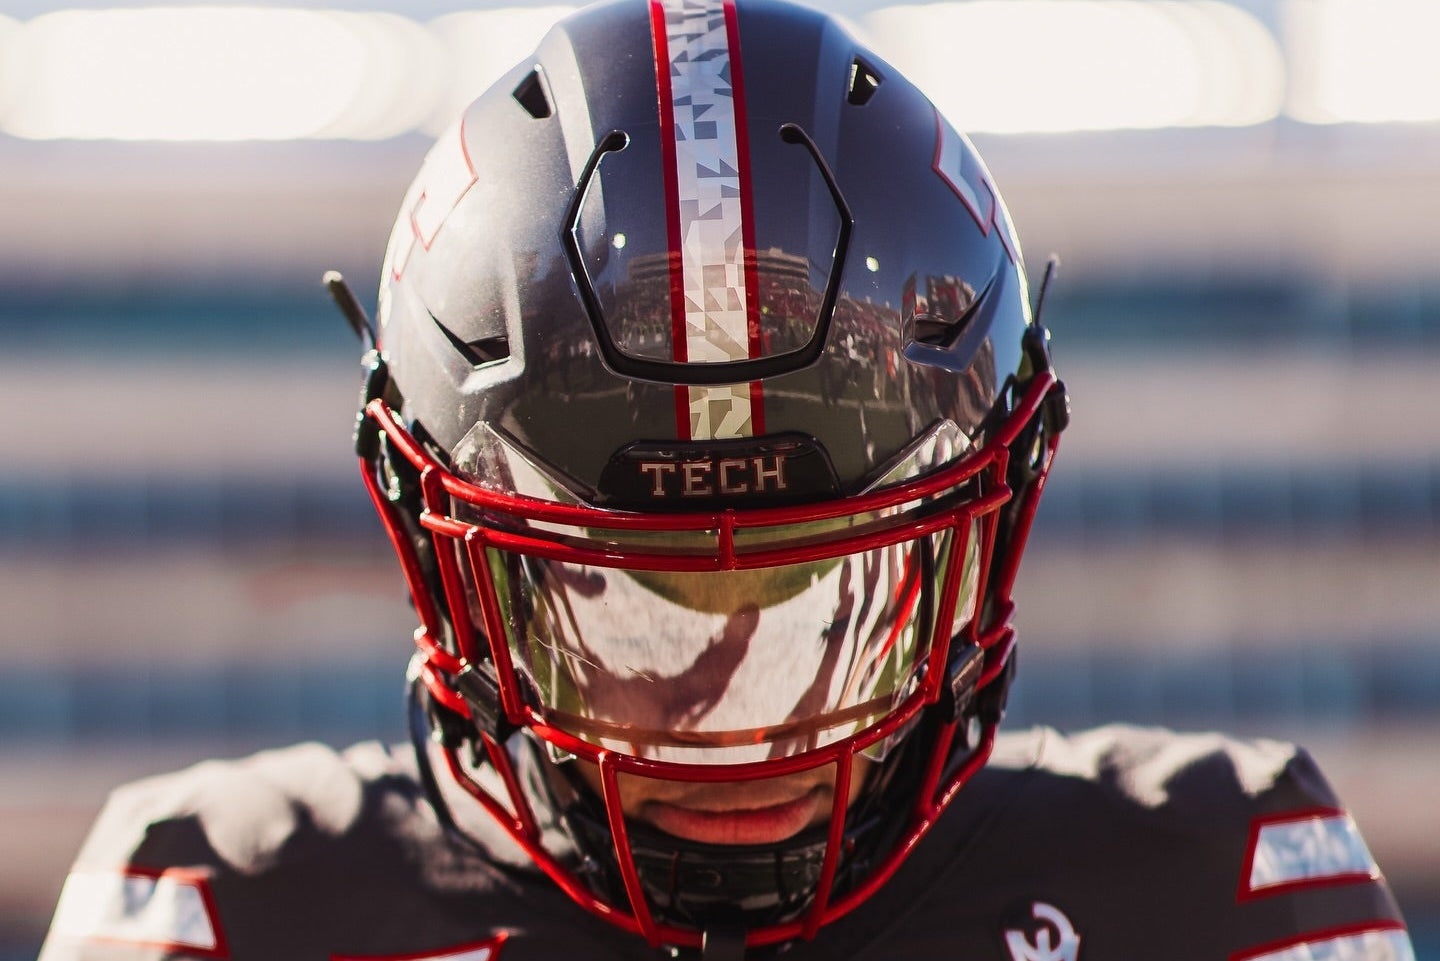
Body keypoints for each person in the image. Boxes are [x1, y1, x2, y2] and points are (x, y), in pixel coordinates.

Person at [40, 1, 1414, 959]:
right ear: (440, 556)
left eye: (833, 603)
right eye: (629, 611)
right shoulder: (216, 907)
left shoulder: (1226, 891)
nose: (743, 739)